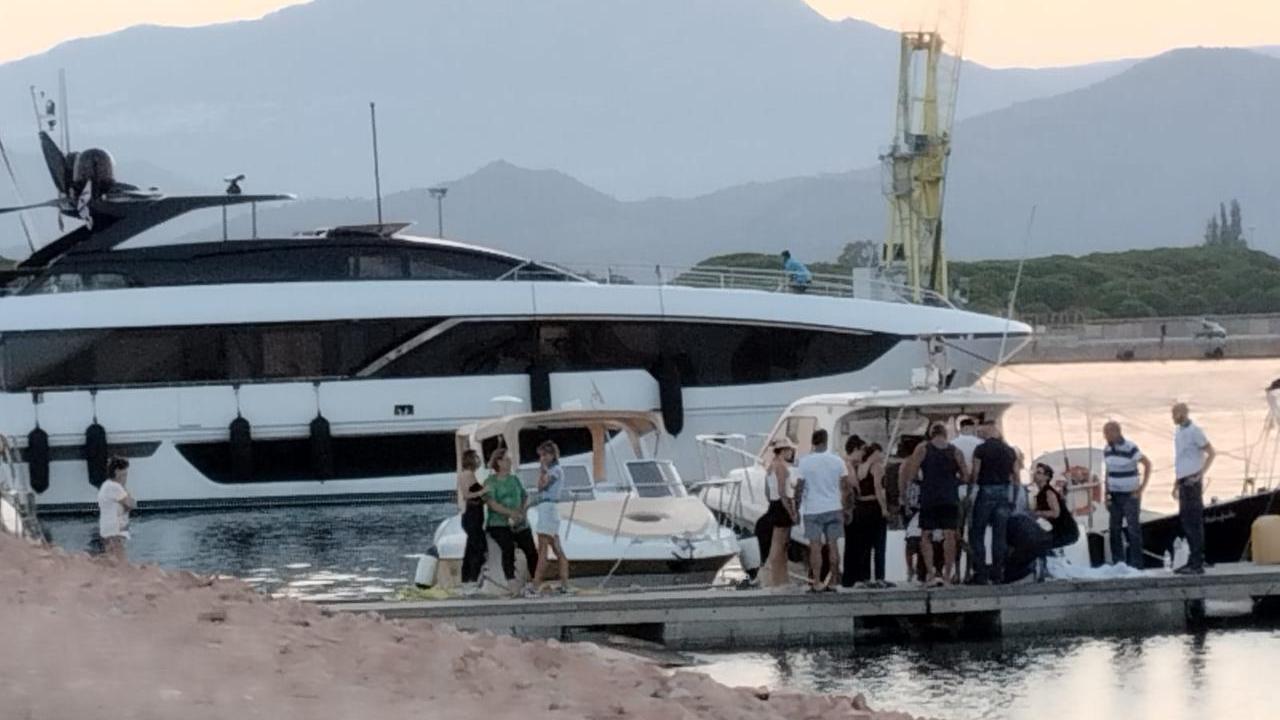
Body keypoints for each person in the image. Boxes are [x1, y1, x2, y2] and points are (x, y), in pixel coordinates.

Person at [899, 424, 968, 586]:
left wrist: (920, 483)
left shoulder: (923, 449)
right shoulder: (955, 451)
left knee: (926, 535)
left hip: (929, 496)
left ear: (931, 435)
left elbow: (912, 474)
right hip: (949, 497)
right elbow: (966, 476)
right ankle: (947, 575)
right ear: (945, 434)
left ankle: (930, 573)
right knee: (949, 535)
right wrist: (953, 481)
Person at [482, 448, 540, 595]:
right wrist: (510, 513)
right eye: (506, 459)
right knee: (508, 547)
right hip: (498, 523)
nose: (509, 462)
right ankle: (511, 582)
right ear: (499, 462)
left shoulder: (514, 479)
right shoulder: (490, 482)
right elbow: (492, 504)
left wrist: (521, 512)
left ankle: (536, 581)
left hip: (518, 521)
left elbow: (525, 496)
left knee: (531, 550)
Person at [796, 429, 846, 591]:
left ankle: (816, 581)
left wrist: (796, 508)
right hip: (833, 506)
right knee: (833, 545)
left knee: (815, 547)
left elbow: (799, 488)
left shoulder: (805, 462)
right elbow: (846, 487)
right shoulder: (837, 461)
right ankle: (834, 580)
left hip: (812, 509)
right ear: (826, 440)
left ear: (813, 442)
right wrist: (846, 507)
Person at [969, 420, 1016, 584]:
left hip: (986, 490)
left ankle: (981, 574)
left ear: (988, 431)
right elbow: (1015, 475)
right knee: (999, 534)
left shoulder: (981, 449)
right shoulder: (1009, 451)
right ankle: (998, 573)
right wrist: (1014, 497)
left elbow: (975, 472)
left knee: (977, 532)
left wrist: (970, 488)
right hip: (1004, 491)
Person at [1172, 403, 1215, 575]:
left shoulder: (1194, 431)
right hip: (1183, 479)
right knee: (1186, 520)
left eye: (1175, 413)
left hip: (1192, 481)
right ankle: (1193, 558)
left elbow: (1211, 452)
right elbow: (1181, 459)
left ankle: (1197, 561)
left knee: (1193, 521)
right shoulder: (1179, 432)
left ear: (1183, 413)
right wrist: (1175, 483)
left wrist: (1200, 473)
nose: (1173, 416)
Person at [1102, 421, 1152, 568]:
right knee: (1114, 529)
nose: (1106, 436)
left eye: (1108, 433)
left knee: (1133, 529)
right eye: (1105, 433)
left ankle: (1137, 564)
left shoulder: (1130, 447)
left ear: (1116, 432)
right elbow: (1108, 471)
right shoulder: (1107, 450)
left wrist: (1141, 488)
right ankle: (1119, 563)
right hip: (1114, 494)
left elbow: (1147, 464)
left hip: (1130, 494)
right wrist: (1106, 493)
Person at [529, 440, 571, 594]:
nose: (542, 458)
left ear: (553, 455)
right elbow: (540, 486)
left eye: (545, 455)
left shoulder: (555, 470)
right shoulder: (550, 470)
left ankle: (535, 585)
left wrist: (543, 471)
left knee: (543, 550)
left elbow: (543, 485)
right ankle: (565, 583)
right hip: (546, 509)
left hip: (548, 508)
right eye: (541, 455)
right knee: (556, 548)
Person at [845, 442, 890, 587]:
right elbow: (878, 488)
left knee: (864, 544)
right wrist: (884, 508)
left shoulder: (858, 467)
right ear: (876, 453)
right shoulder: (876, 467)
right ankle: (879, 577)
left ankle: (863, 577)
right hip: (874, 506)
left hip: (860, 507)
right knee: (879, 544)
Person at [762, 438, 799, 587]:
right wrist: (791, 512)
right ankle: (779, 579)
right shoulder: (782, 468)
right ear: (783, 451)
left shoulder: (771, 466)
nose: (791, 453)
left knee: (779, 544)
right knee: (780, 544)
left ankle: (780, 578)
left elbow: (767, 490)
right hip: (782, 505)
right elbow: (783, 492)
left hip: (773, 504)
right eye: (789, 450)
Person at [456, 449, 489, 587]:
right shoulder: (468, 474)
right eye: (475, 458)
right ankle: (473, 577)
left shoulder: (468, 475)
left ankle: (466, 578)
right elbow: (468, 494)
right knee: (479, 547)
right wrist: (483, 491)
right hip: (472, 514)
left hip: (473, 514)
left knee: (471, 547)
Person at [96, 456, 135, 562]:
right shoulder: (114, 487)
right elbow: (132, 504)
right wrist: (124, 487)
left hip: (109, 530)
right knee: (121, 562)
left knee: (113, 561)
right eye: (124, 474)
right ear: (117, 472)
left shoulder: (106, 485)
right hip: (115, 532)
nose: (126, 478)